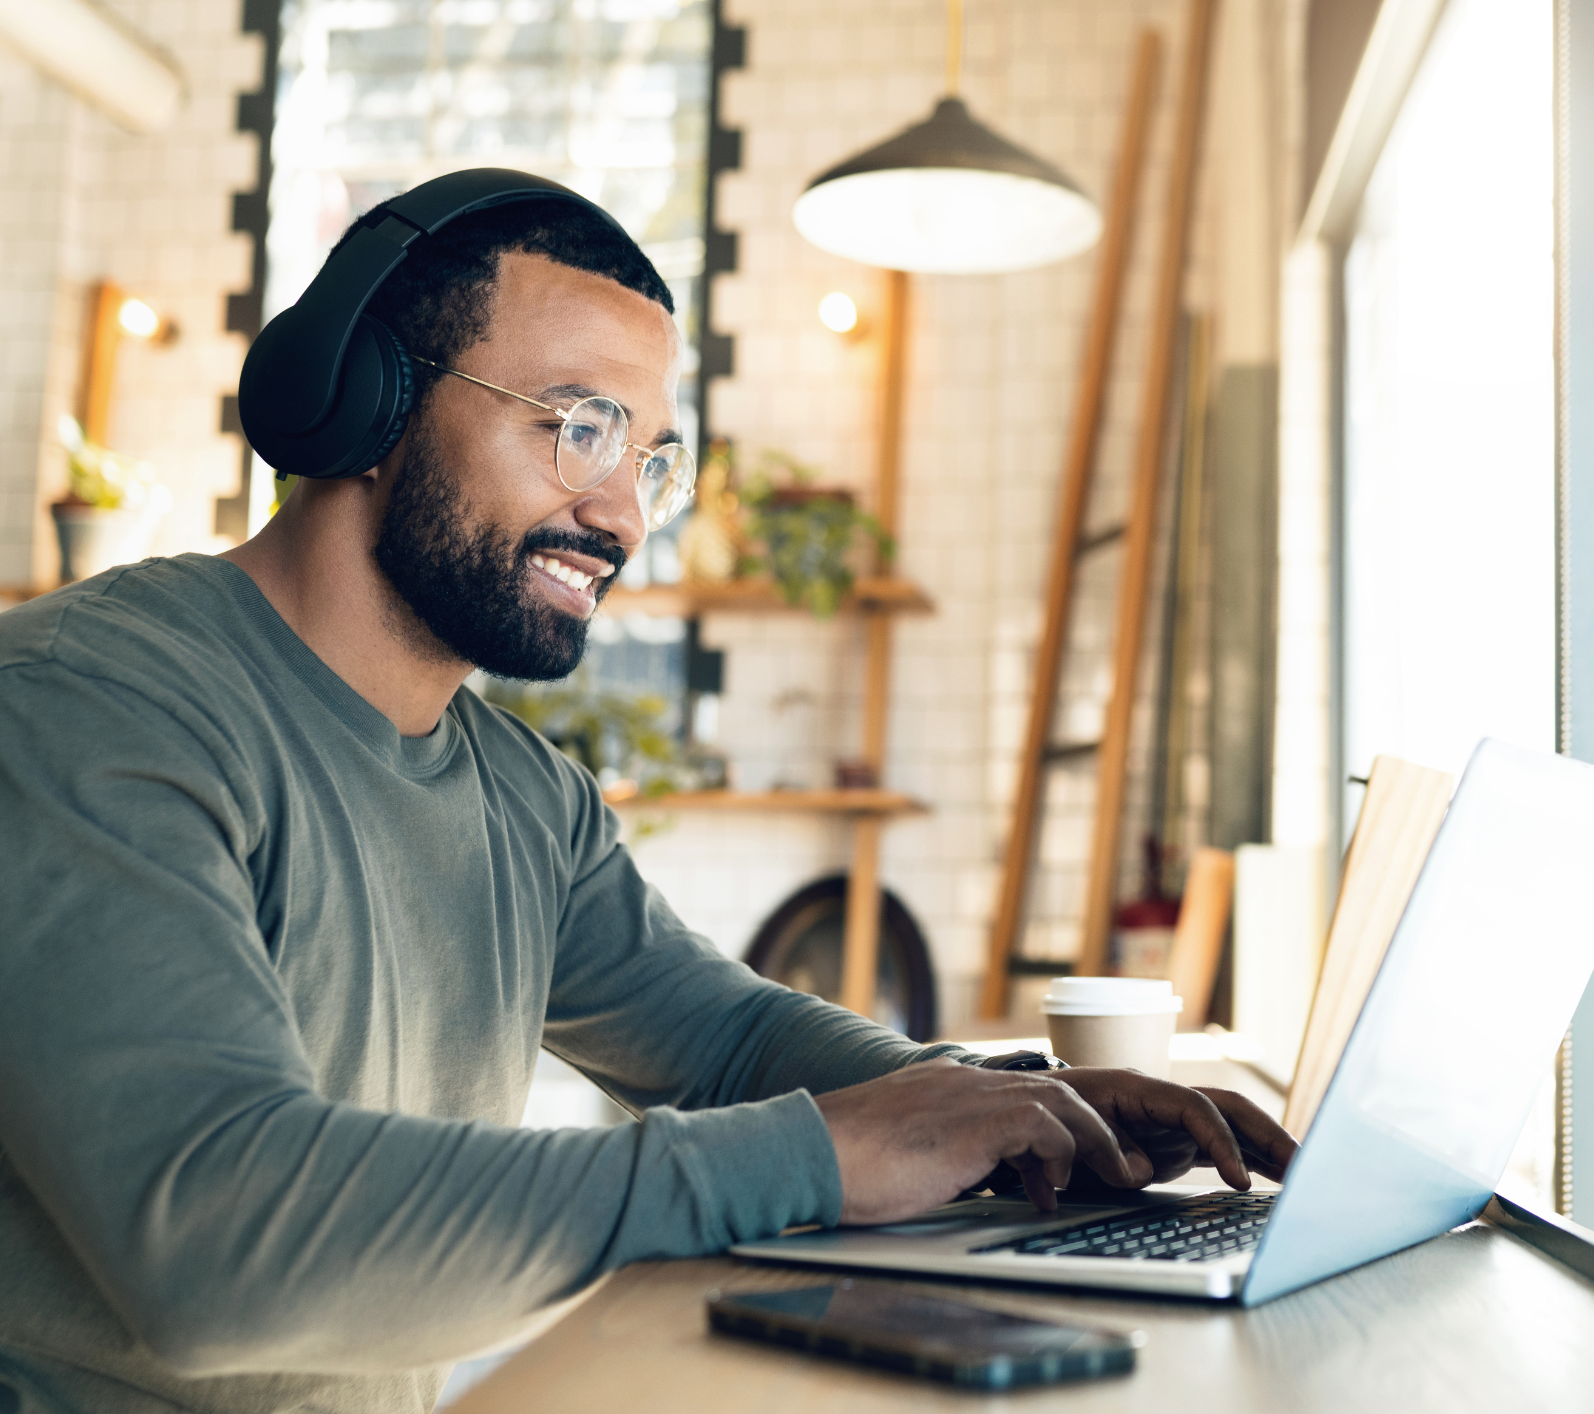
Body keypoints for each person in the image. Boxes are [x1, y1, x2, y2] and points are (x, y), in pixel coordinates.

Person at [0, 178, 1297, 1414]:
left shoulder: (522, 798)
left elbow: (730, 1044)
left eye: (652, 461)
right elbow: (214, 1243)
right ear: (370, 405)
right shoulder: (86, 705)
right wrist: (821, 1155)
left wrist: (1002, 1105)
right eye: (580, 427)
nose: (621, 514)